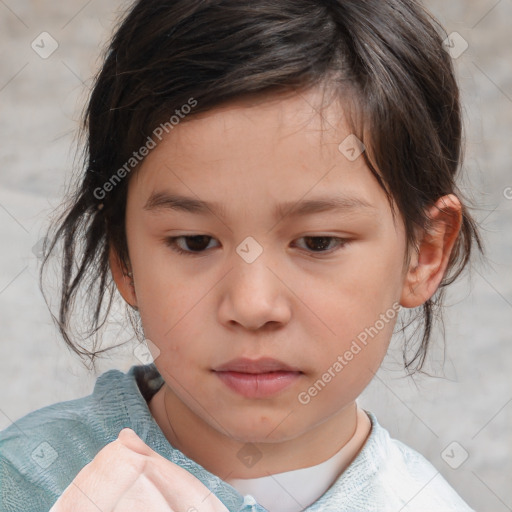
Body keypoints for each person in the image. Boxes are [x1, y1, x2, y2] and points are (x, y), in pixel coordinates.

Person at [0, 0, 483, 510]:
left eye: (318, 242)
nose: (252, 306)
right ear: (123, 253)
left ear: (424, 254)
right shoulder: (25, 479)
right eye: (194, 242)